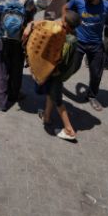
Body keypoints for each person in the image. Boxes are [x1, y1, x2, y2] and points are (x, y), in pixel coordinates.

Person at [66, 0, 108, 111]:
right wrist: (66, 26)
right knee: (72, 68)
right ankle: (57, 83)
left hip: (96, 45)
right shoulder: (77, 1)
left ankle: (92, 96)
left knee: (96, 73)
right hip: (79, 43)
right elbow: (65, 9)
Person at [36, 11, 82, 142]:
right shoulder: (72, 35)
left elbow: (59, 60)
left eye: (62, 21)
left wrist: (45, 73)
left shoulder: (68, 40)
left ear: (66, 25)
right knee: (51, 94)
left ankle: (69, 130)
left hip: (56, 74)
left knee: (57, 100)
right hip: (58, 74)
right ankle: (47, 116)